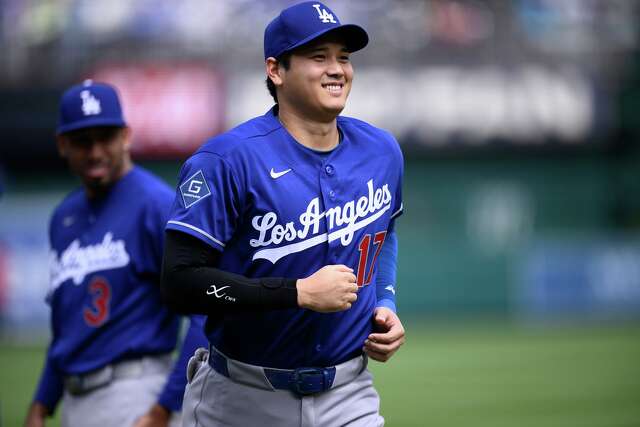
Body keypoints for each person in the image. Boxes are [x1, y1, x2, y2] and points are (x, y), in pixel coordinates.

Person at [162, 1, 406, 426]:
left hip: (348, 394)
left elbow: (383, 234)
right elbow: (180, 283)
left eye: (344, 57)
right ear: (276, 70)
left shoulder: (381, 151)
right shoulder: (226, 160)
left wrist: (384, 301)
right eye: (319, 57)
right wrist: (296, 293)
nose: (337, 70)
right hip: (240, 397)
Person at [24, 80, 207, 427]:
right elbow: (67, 326)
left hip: (135, 390)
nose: (95, 152)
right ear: (62, 145)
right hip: (74, 402)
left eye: (105, 138)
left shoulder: (156, 205)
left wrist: (164, 407)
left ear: (125, 136)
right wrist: (42, 402)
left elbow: (204, 312)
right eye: (82, 141)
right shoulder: (63, 217)